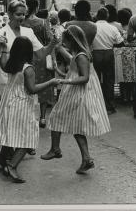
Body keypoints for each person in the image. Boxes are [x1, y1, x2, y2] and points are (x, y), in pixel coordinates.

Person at [0, 0, 56, 164]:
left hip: (24, 82)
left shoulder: (28, 32)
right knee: (9, 120)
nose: (21, 18)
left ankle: (7, 154)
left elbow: (40, 54)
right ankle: (9, 154)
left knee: (20, 120)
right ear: (10, 14)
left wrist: (54, 42)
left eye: (23, 15)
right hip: (7, 81)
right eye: (18, 14)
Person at [43, 25, 111, 174]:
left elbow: (84, 78)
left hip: (78, 91)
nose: (64, 43)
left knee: (56, 116)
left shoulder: (81, 55)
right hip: (76, 90)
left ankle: (55, 149)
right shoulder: (80, 54)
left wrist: (64, 81)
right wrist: (59, 48)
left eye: (66, 40)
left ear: (72, 40)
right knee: (76, 126)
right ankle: (86, 159)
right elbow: (72, 61)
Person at [0, 36, 60, 183]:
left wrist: (4, 49)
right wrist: (51, 82)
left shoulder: (10, 64)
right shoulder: (28, 69)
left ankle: (2, 157)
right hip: (21, 104)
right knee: (27, 138)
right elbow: (32, 89)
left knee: (10, 131)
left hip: (8, 102)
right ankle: (12, 166)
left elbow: (3, 60)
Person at [22, 0, 53, 130]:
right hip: (40, 57)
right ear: (37, 7)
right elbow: (49, 39)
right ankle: (43, 117)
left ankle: (27, 116)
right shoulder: (42, 22)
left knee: (26, 87)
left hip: (25, 58)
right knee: (43, 88)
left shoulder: (21, 22)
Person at [91, 7, 124, 115]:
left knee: (95, 80)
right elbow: (120, 43)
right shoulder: (112, 28)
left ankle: (96, 104)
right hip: (109, 54)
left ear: (97, 16)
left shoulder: (92, 27)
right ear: (107, 16)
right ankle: (109, 105)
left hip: (95, 54)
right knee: (109, 80)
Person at [115, 9, 136, 103]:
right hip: (133, 52)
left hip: (122, 53)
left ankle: (123, 96)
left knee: (122, 76)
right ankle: (131, 96)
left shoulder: (118, 29)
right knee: (132, 75)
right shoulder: (133, 27)